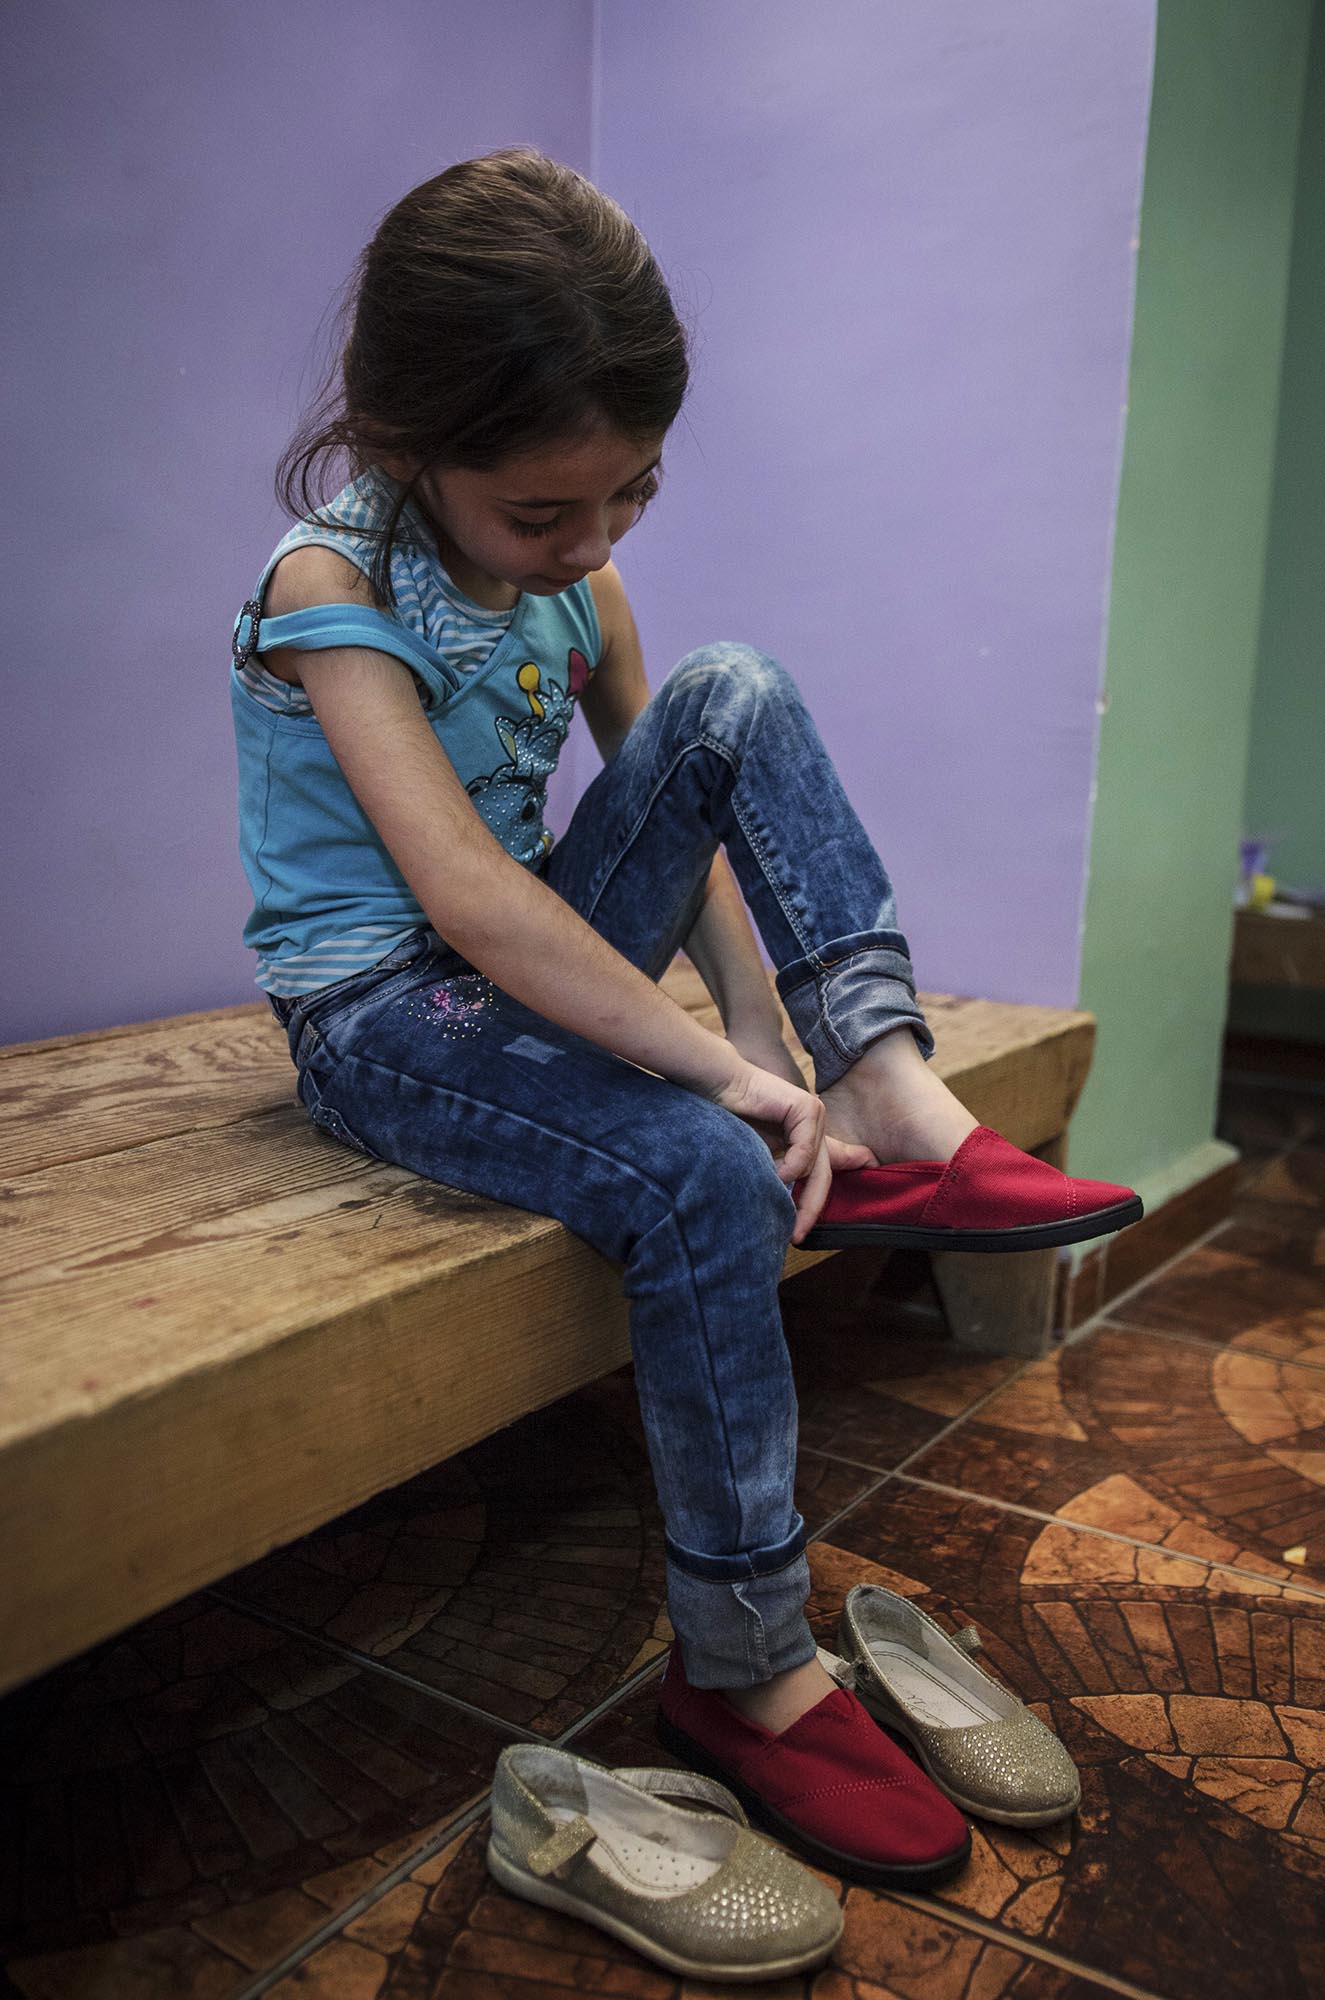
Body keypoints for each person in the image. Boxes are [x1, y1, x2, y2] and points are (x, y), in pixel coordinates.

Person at [230, 148, 1138, 1888]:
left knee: (736, 690)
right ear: (411, 445)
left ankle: (893, 1089)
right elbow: (475, 911)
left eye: (629, 495)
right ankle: (746, 1670)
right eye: (543, 516)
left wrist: (780, 1050)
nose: (588, 546)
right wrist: (717, 1085)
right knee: (698, 1175)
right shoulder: (325, 593)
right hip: (384, 1012)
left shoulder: (583, 575)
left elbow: (692, 800)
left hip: (529, 971)